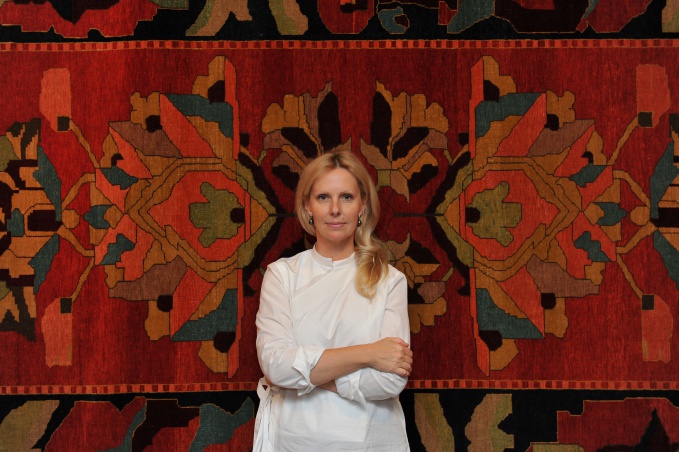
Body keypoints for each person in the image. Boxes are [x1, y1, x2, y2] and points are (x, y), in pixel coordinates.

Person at [253, 150, 413, 451]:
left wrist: (305, 375)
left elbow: (390, 381)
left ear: (362, 206)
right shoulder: (281, 275)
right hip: (294, 442)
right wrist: (368, 353)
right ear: (308, 206)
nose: (335, 209)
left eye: (347, 197)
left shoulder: (390, 280)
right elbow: (276, 365)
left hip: (370, 443)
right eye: (323, 197)